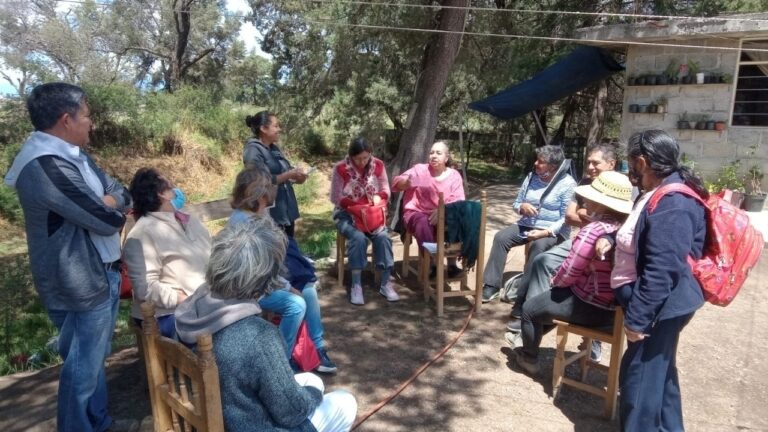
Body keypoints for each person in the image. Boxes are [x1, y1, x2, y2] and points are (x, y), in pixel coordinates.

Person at [4, 83, 131, 432]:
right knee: (82, 368)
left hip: (96, 272)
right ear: (65, 119)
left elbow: (119, 190)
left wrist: (109, 200)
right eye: (87, 115)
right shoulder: (46, 165)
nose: (91, 123)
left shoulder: (74, 156)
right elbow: (108, 219)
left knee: (90, 361)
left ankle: (99, 421)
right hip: (78, 281)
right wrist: (110, 204)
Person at [175, 218, 357, 432]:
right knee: (345, 402)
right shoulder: (258, 335)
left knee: (311, 380)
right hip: (251, 425)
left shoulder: (194, 305)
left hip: (220, 413)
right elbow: (292, 413)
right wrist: (314, 396)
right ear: (265, 278)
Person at [595, 130, 707, 432]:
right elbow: (640, 234)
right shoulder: (656, 194)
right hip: (655, 304)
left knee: (640, 381)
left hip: (659, 308)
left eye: (631, 163)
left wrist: (638, 320)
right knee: (660, 373)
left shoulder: (674, 202)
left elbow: (662, 269)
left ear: (642, 162)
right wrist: (610, 238)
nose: (630, 170)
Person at [508, 171, 632, 375]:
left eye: (591, 197)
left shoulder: (593, 230)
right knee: (545, 304)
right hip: (616, 309)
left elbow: (569, 272)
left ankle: (528, 357)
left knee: (530, 309)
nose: (585, 201)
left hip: (591, 304)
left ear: (601, 203)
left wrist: (554, 281)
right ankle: (529, 339)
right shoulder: (625, 228)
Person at [229, 166, 337, 373]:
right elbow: (258, 270)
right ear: (258, 193)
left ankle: (317, 348)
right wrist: (287, 287)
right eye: (268, 187)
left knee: (308, 289)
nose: (272, 190)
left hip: (266, 280)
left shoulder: (259, 214)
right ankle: (281, 361)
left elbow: (274, 257)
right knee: (296, 304)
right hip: (250, 288)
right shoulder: (244, 223)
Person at [122, 168, 211, 338]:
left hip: (206, 303)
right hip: (169, 315)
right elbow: (145, 288)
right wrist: (184, 299)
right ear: (162, 194)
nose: (175, 188)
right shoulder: (141, 235)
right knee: (228, 333)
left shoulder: (190, 220)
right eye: (170, 185)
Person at [481, 145, 576, 303]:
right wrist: (521, 207)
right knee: (500, 237)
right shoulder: (531, 177)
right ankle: (491, 285)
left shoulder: (568, 184)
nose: (536, 163)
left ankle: (524, 295)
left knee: (538, 246)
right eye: (537, 160)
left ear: (553, 166)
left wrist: (545, 232)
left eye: (541, 161)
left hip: (552, 231)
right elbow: (517, 203)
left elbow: (565, 218)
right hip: (527, 224)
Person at [330, 138, 398, 305]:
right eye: (358, 158)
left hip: (373, 214)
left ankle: (385, 282)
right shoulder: (341, 169)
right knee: (358, 238)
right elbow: (335, 197)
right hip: (347, 214)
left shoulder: (378, 166)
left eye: (366, 158)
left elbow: (385, 190)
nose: (362, 162)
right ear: (351, 156)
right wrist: (355, 207)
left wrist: (379, 197)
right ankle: (356, 284)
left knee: (383, 238)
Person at [391, 141, 465, 277]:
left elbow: (459, 200)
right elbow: (396, 182)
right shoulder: (420, 170)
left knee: (457, 217)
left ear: (446, 158)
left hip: (442, 214)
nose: (434, 156)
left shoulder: (454, 176)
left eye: (438, 153)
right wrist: (405, 183)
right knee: (423, 222)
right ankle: (433, 263)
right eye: (431, 153)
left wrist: (443, 211)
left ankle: (452, 265)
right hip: (416, 213)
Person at [243, 111, 308, 237]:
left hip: (287, 213)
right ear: (263, 128)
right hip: (270, 216)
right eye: (276, 126)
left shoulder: (274, 149)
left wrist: (299, 177)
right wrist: (289, 174)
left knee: (289, 251)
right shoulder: (252, 150)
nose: (280, 129)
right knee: (276, 254)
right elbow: (259, 179)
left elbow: (287, 175)